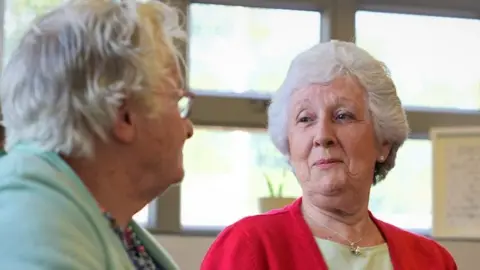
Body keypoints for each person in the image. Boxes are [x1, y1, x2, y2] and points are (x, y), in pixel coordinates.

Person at [200, 41, 457, 270]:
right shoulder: (248, 246)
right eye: (305, 119)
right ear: (289, 146)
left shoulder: (433, 261)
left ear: (384, 143)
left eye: (342, 116)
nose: (322, 135)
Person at [0, 0, 193, 269]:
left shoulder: (81, 211)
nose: (189, 129)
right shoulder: (33, 218)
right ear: (124, 116)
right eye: (176, 102)